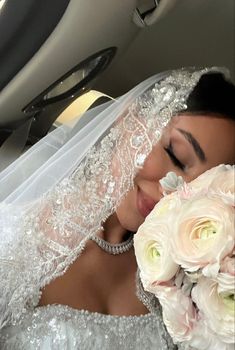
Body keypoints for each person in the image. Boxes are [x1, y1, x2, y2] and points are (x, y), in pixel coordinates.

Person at [0, 67, 234, 350]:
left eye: (200, 187)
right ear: (129, 118)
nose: (172, 191)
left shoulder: (189, 288)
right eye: (176, 154)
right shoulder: (15, 234)